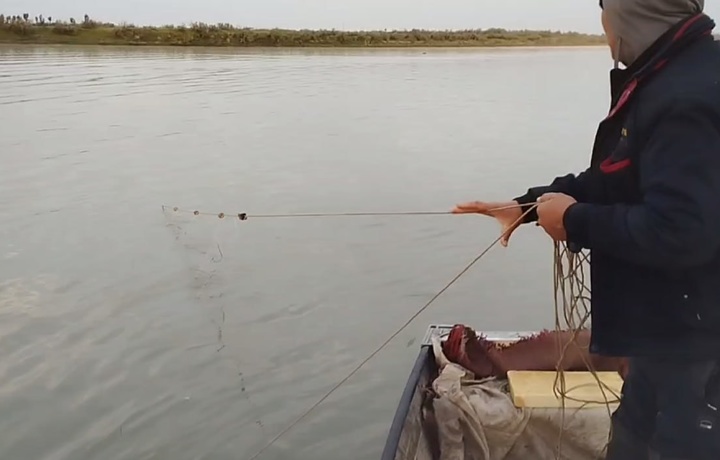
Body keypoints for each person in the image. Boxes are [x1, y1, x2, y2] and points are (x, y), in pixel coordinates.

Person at [452, 1, 720, 459]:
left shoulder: (688, 94)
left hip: (697, 354)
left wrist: (574, 220)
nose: (603, 27)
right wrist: (529, 206)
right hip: (663, 341)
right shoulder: (669, 76)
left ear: (630, 12)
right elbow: (617, 176)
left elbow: (683, 230)